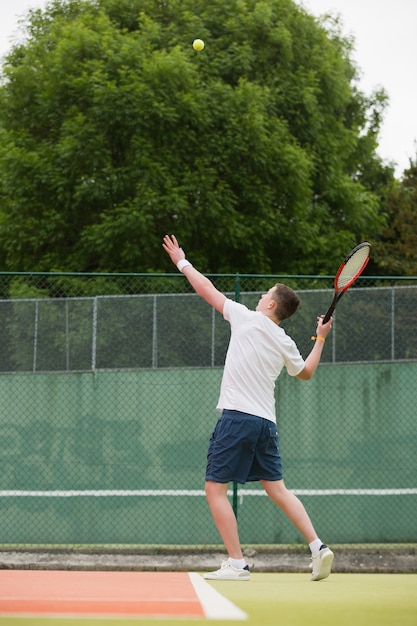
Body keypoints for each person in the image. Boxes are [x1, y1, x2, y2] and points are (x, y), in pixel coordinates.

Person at [162, 234, 334, 582]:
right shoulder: (285, 341)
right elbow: (306, 373)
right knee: (277, 489)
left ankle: (237, 564)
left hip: (238, 419)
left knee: (215, 490)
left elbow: (205, 289)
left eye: (264, 294)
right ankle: (318, 547)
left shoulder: (245, 317)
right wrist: (320, 338)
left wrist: (182, 261)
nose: (259, 297)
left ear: (271, 305)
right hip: (265, 425)